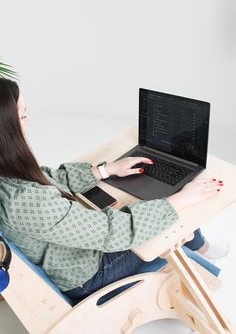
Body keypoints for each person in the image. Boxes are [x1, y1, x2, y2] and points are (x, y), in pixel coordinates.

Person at [0, 78, 226, 304]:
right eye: (22, 115)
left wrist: (106, 170)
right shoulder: (23, 202)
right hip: (90, 274)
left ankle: (197, 245)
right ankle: (201, 248)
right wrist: (180, 200)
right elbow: (111, 232)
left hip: (76, 251)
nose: (28, 119)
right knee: (177, 210)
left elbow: (49, 178)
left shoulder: (7, 174)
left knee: (165, 203)